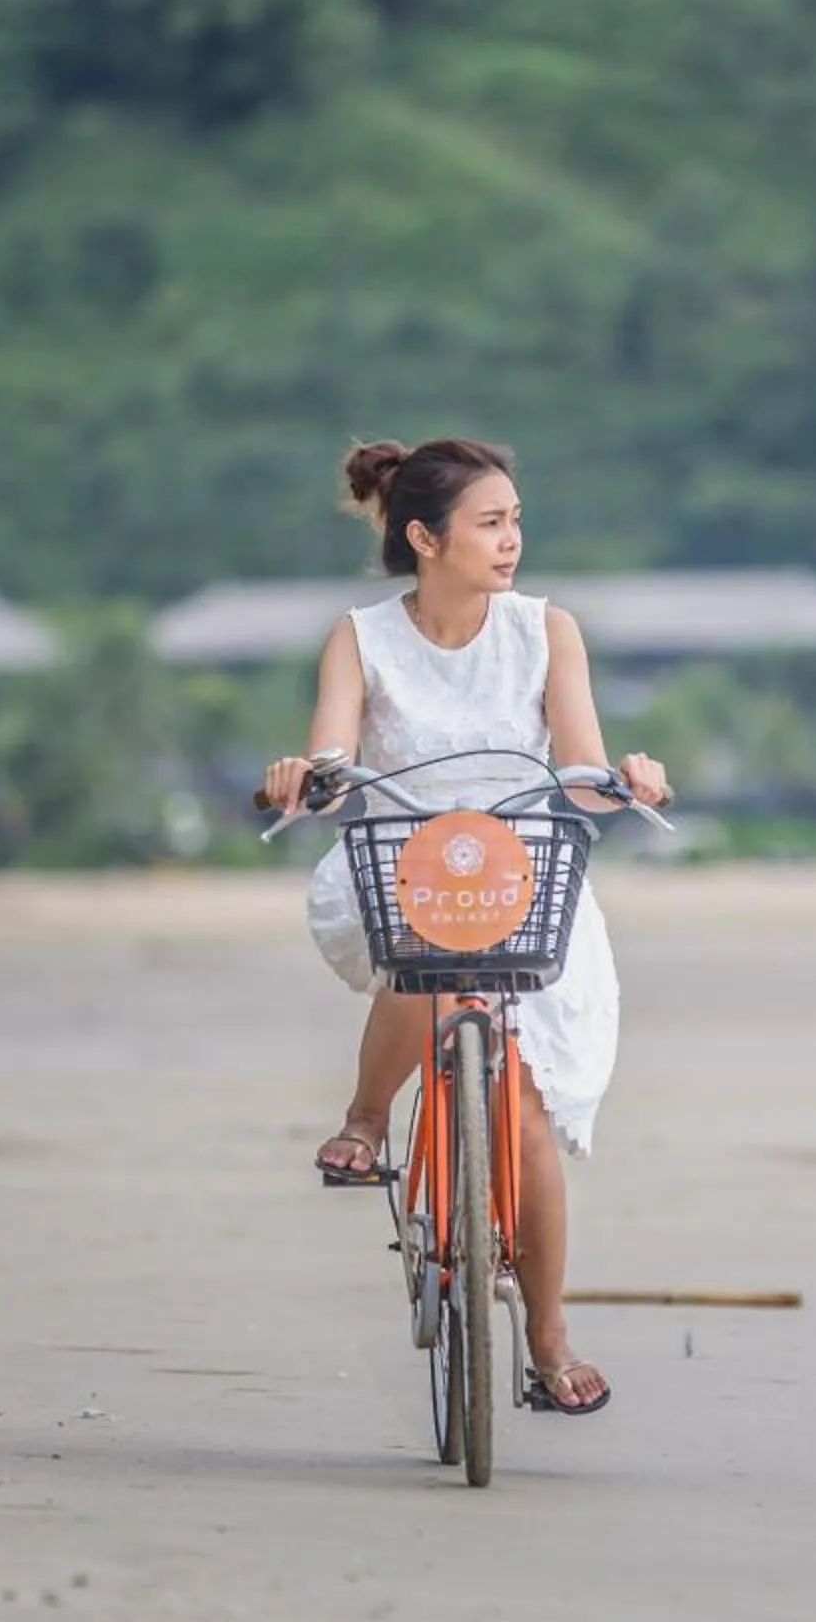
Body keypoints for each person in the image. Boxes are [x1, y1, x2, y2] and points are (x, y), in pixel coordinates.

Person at [262, 438, 671, 1419]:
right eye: (490, 523)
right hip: (403, 864)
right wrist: (304, 777)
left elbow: (582, 769)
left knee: (522, 1116)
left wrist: (631, 780)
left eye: (516, 520)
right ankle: (367, 1118)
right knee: (425, 947)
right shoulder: (361, 637)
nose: (512, 539)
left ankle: (548, 1337)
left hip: (523, 873)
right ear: (424, 537)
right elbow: (334, 759)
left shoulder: (546, 630)